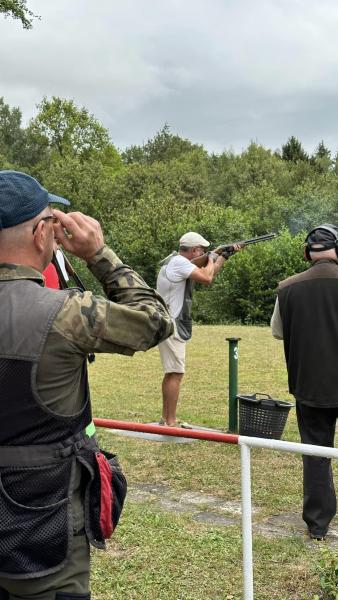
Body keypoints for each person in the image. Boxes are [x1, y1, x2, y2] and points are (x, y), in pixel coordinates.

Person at [0, 170, 173, 600]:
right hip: (44, 529)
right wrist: (99, 254)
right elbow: (155, 321)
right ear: (42, 232)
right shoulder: (66, 313)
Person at [271, 223, 338, 541]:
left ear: (306, 252)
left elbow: (278, 331)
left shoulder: (287, 288)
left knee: (316, 454)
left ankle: (317, 524)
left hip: (309, 384)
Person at [156, 231, 241, 427]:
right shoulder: (179, 263)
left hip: (170, 322)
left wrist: (223, 256)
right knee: (175, 373)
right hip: (172, 324)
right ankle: (170, 422)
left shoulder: (176, 262)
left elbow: (210, 272)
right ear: (194, 250)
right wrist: (212, 256)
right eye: (202, 250)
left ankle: (166, 419)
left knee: (172, 372)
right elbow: (207, 277)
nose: (204, 253)